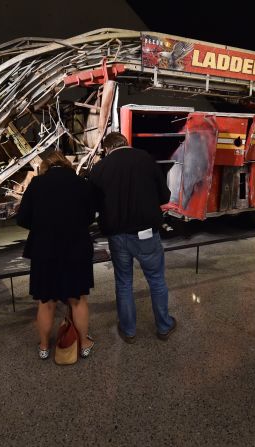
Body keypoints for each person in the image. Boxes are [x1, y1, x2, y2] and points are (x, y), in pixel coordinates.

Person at [89, 132, 177, 343]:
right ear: (126, 143)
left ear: (106, 148)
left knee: (124, 282)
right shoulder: (146, 159)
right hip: (146, 234)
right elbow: (165, 196)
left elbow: (93, 205)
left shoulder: (99, 168)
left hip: (117, 235)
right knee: (156, 280)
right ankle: (164, 326)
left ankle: (128, 330)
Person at [17, 151, 96, 360]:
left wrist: (42, 225)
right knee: (77, 299)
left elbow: (22, 218)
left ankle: (44, 346)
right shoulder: (82, 183)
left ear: (46, 166)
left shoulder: (37, 184)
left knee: (46, 301)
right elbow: (90, 216)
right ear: (65, 165)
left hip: (44, 250)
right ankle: (84, 343)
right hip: (76, 248)